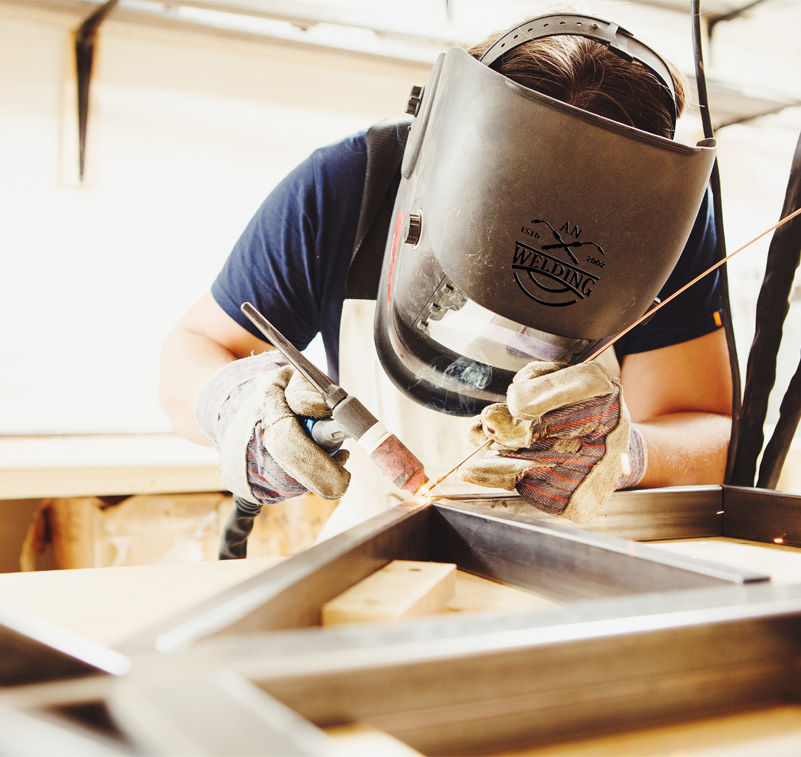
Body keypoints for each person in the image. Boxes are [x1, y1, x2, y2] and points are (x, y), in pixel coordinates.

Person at [159, 13, 733, 543]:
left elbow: (708, 433)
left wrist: (627, 454)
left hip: (581, 558)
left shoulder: (663, 218)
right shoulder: (353, 186)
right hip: (379, 549)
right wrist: (238, 408)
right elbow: (194, 351)